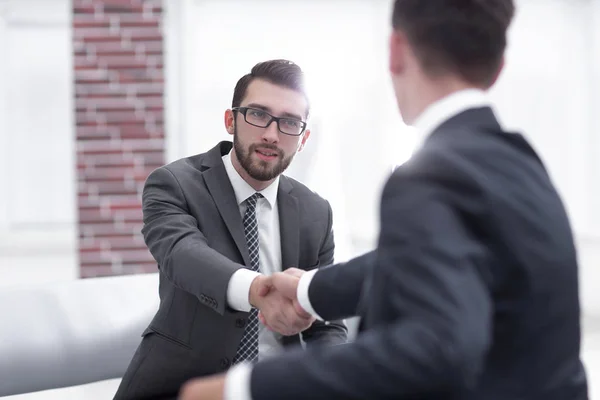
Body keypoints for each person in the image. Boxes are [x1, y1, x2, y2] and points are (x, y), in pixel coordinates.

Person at [179, 1, 589, 399]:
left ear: (395, 50)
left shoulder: (428, 176)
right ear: (497, 67)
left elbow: (438, 346)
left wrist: (243, 388)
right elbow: (427, 258)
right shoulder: (523, 163)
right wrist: (311, 290)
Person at [113, 59, 347, 400]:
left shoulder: (316, 212)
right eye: (257, 114)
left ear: (303, 137)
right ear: (230, 120)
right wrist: (259, 290)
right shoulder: (174, 184)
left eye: (290, 122)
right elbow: (183, 255)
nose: (271, 134)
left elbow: (326, 323)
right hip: (183, 388)